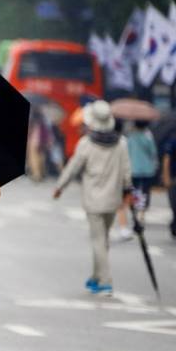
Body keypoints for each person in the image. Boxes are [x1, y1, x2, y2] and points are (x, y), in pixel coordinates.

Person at [53, 100, 133, 294]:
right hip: (113, 199)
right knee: (102, 239)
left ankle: (105, 281)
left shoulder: (86, 143)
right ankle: (96, 277)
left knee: (98, 240)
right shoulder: (121, 143)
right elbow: (126, 170)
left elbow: (73, 167)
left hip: (94, 200)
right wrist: (128, 190)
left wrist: (60, 186)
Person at [125, 119, 158, 226]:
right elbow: (153, 152)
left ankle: (135, 209)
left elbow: (127, 152)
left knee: (134, 190)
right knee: (145, 191)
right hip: (147, 169)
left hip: (134, 168)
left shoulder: (131, 136)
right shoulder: (148, 136)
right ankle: (142, 212)